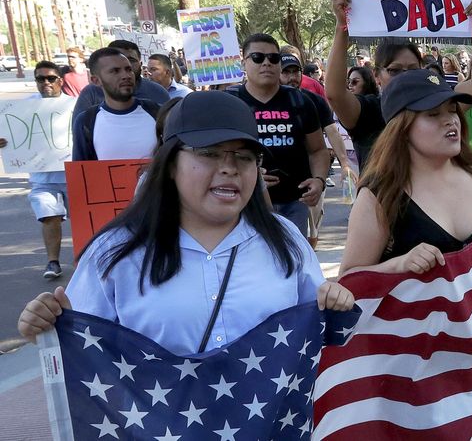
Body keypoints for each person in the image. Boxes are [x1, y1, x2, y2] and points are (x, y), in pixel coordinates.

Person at [17, 90, 354, 365]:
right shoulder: (115, 251)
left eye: (245, 156)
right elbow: (82, 349)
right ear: (171, 164)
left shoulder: (285, 238)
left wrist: (336, 302)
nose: (229, 168)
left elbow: (315, 328)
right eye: (209, 153)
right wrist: (46, 327)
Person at [338, 67, 472, 273]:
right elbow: (348, 278)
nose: (450, 121)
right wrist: (398, 264)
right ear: (402, 128)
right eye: (433, 114)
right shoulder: (380, 193)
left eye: (453, 110)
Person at [325, 0, 472, 172]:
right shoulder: (367, 112)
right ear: (376, 75)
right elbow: (334, 93)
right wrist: (342, 27)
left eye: (412, 69)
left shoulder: (440, 103)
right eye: (394, 71)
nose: (404, 77)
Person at [225, 33, 329, 238]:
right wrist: (248, 174)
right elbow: (217, 155)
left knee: (289, 263)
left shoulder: (301, 101)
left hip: (294, 203)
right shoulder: (230, 102)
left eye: (274, 58)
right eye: (257, 57)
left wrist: (319, 180)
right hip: (244, 203)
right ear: (243, 62)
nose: (267, 63)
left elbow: (318, 150)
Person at [0, 61, 74, 279]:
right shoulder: (21, 109)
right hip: (42, 178)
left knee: (81, 222)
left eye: (51, 78)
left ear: (60, 80)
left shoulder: (74, 105)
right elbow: (11, 135)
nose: (46, 83)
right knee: (50, 217)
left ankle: (86, 261)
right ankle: (53, 262)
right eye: (40, 79)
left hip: (73, 175)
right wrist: (5, 142)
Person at [279, 52, 356, 247]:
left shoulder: (313, 100)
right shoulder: (267, 102)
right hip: (274, 187)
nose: (292, 77)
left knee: (310, 230)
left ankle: (309, 258)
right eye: (286, 72)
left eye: (295, 71)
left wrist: (344, 163)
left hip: (310, 178)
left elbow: (332, 131)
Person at [72, 48, 160, 161]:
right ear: (95, 80)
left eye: (128, 69)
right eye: (115, 71)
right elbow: (81, 173)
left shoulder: (158, 113)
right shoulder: (86, 122)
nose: (126, 76)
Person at [72, 40, 169, 118]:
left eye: (131, 60)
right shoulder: (90, 94)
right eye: (117, 61)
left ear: (140, 64)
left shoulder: (158, 92)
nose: (125, 64)